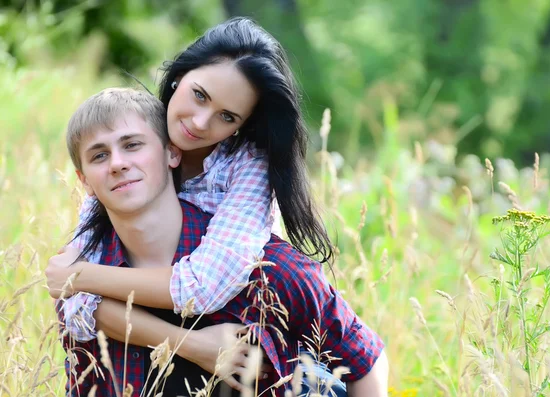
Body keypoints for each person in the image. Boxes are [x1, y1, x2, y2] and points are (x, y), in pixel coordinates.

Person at [54, 87, 388, 396]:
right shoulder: (81, 285)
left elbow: (364, 359)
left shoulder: (265, 268)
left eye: (132, 145)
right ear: (84, 181)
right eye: (99, 156)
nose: (117, 164)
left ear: (172, 154)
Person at [51, 16, 334, 346]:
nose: (200, 123)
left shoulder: (247, 167)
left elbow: (203, 287)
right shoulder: (132, 151)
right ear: (180, 76)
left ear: (241, 125)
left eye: (227, 116)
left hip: (253, 324)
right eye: (199, 95)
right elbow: (76, 305)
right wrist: (190, 346)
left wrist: (82, 276)